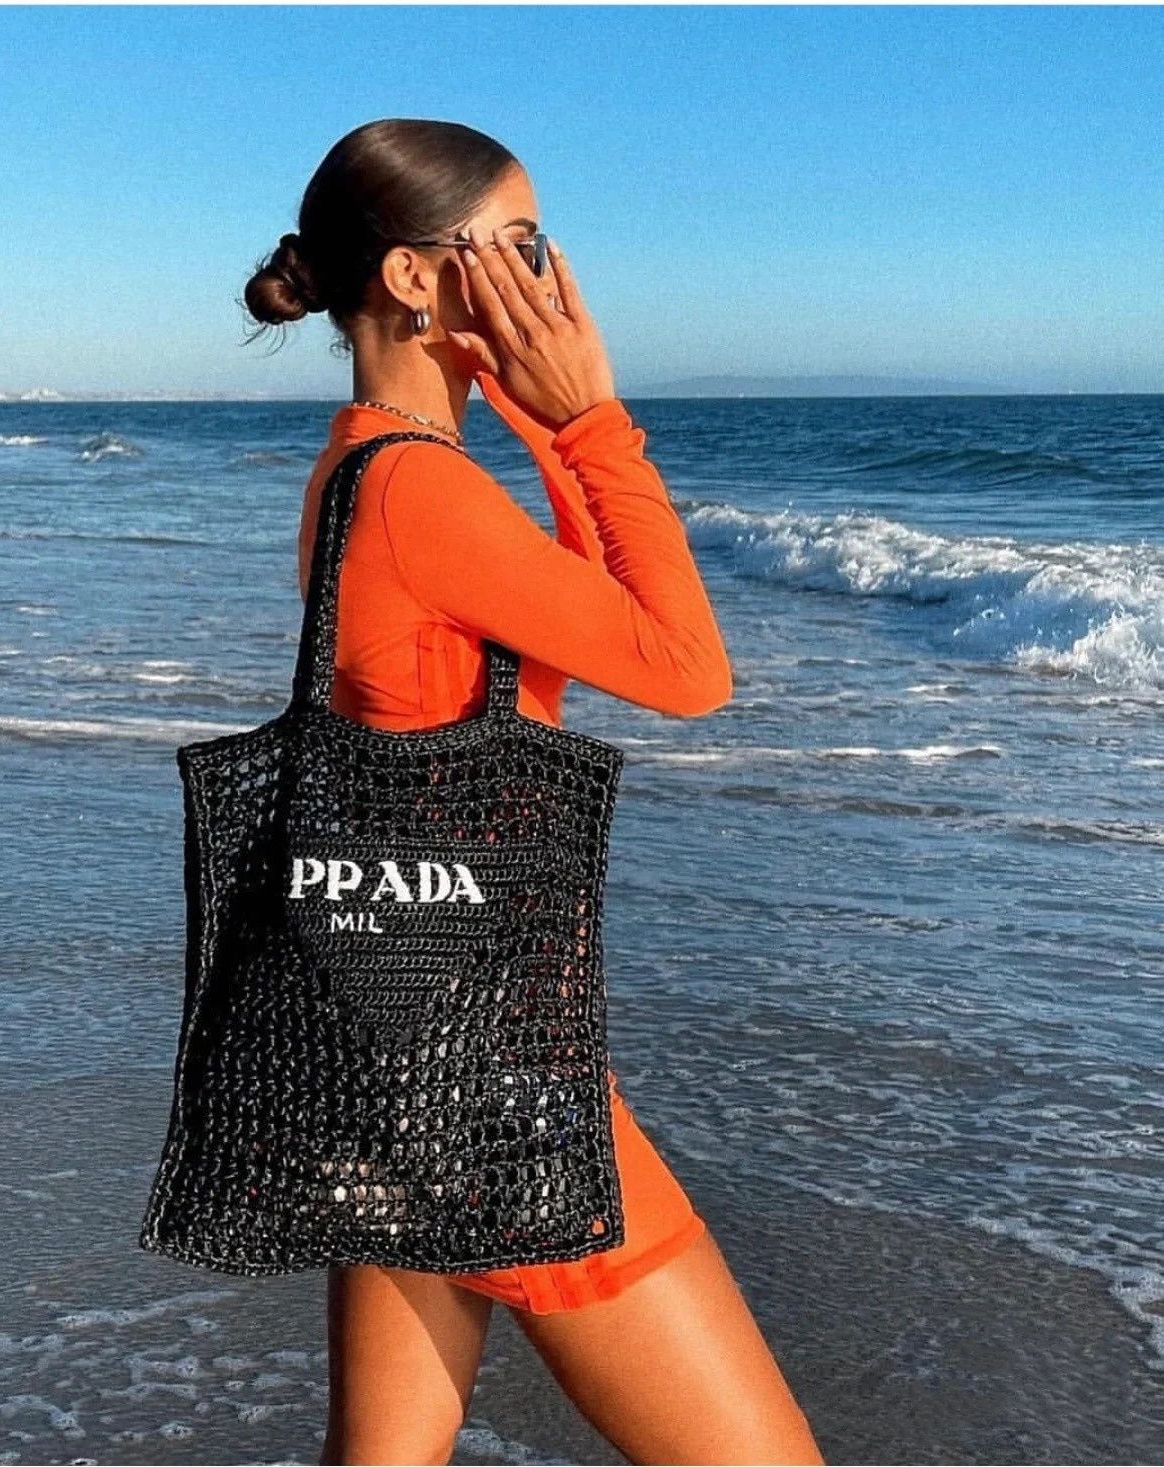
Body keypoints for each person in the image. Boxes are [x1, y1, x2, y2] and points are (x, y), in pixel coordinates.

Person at [243, 117, 825, 1467]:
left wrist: (539, 420)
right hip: (491, 1072)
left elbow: (592, 609)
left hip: (387, 1040)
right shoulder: (424, 494)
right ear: (411, 275)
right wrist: (592, 422)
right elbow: (687, 669)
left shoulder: (361, 466)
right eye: (517, 244)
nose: (548, 278)